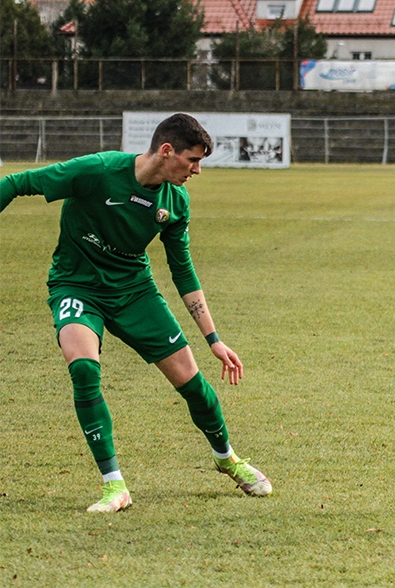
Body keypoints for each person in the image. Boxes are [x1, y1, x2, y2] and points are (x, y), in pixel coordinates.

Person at [1, 113, 272, 512]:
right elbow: (16, 183)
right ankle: (115, 486)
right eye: (192, 160)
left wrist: (213, 339)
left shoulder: (174, 202)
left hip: (134, 292)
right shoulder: (96, 170)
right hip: (77, 285)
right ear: (167, 151)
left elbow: (183, 270)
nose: (197, 170)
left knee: (193, 385)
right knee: (84, 369)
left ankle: (227, 458)